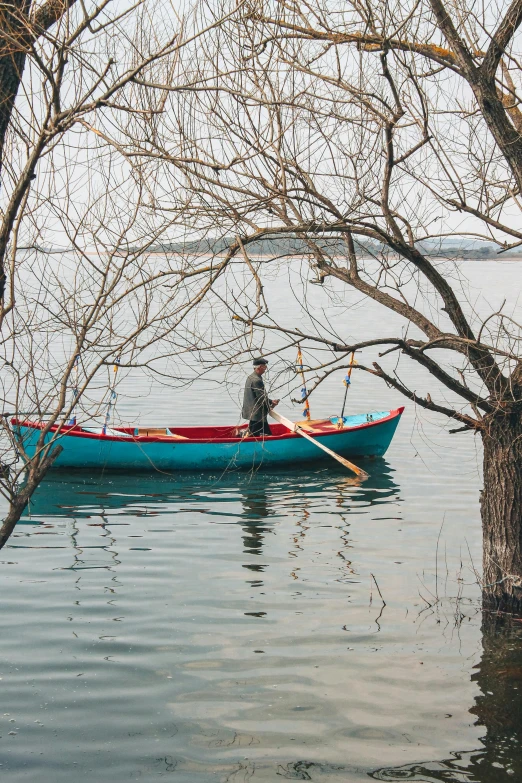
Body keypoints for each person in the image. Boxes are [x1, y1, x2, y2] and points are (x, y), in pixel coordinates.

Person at [242, 357, 280, 437]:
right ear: (259, 367)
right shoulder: (257, 380)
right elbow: (261, 399)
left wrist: (270, 401)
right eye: (264, 367)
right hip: (257, 415)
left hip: (252, 412)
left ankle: (244, 435)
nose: (265, 369)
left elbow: (259, 396)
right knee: (265, 435)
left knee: (253, 434)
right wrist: (269, 406)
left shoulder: (250, 377)